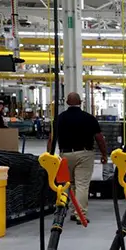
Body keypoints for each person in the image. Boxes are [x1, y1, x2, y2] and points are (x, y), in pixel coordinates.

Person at [47, 92, 108, 222]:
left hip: (65, 155)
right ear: (80, 102)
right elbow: (99, 138)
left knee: (70, 184)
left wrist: (50, 157)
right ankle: (80, 214)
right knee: (82, 184)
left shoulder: (59, 118)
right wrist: (104, 154)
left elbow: (51, 140)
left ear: (67, 103)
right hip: (84, 154)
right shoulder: (89, 118)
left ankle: (73, 211)